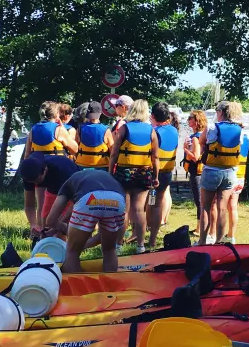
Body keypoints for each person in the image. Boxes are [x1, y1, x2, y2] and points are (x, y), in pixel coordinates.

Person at [46, 170, 126, 273]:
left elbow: (50, 220)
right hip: (117, 199)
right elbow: (101, 237)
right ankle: (110, 285)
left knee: (72, 252)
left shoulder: (68, 183)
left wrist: (63, 228)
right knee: (109, 250)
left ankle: (75, 286)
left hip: (88, 198)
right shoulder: (103, 177)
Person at [109, 99, 160, 254]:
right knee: (139, 210)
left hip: (124, 172)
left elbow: (114, 153)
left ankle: (118, 245)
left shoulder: (124, 128)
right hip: (144, 173)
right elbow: (155, 157)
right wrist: (156, 176)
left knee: (123, 209)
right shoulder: (151, 131)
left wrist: (111, 172)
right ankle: (140, 245)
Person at [24, 102, 78, 231]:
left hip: (38, 172)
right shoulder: (58, 129)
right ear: (57, 114)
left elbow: (27, 154)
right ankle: (60, 231)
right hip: (56, 173)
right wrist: (63, 128)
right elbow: (75, 149)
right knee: (60, 205)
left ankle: (40, 230)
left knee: (41, 206)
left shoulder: (34, 129)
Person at [198, 101, 244, 245]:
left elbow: (201, 140)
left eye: (217, 111)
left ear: (221, 112)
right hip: (230, 172)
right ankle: (219, 242)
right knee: (222, 208)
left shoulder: (212, 127)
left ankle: (202, 241)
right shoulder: (240, 129)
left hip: (212, 170)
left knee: (205, 207)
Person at [19, 153, 79, 240]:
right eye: (33, 182)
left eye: (38, 180)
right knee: (46, 223)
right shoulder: (29, 175)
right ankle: (46, 247)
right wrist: (33, 224)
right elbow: (29, 206)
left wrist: (57, 225)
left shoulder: (62, 170)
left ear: (45, 170)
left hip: (71, 188)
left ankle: (68, 245)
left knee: (59, 229)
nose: (36, 184)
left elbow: (75, 204)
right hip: (52, 189)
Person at [148, 102, 179, 250]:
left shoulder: (154, 132)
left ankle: (149, 239)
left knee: (150, 204)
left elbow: (152, 155)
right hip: (167, 173)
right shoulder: (174, 130)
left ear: (153, 116)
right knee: (156, 204)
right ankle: (152, 235)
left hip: (155, 175)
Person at [223, 102, 248, 245]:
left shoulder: (230, 134)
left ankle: (216, 235)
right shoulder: (245, 136)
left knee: (218, 205)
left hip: (229, 173)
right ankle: (231, 235)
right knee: (233, 206)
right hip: (241, 175)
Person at [183, 109, 207, 237]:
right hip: (201, 172)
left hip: (197, 173)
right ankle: (199, 227)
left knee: (199, 201)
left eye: (190, 118)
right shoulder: (203, 135)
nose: (188, 120)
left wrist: (185, 149)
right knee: (201, 201)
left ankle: (199, 229)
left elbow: (196, 157)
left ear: (196, 121)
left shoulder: (197, 138)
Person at [75, 101, 114, 170]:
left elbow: (75, 147)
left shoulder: (80, 128)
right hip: (101, 166)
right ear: (100, 113)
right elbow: (112, 151)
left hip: (81, 165)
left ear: (88, 113)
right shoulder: (106, 130)